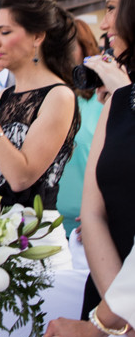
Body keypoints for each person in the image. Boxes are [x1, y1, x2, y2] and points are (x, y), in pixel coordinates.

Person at [0, 0, 79, 270]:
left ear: (37, 37)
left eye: (4, 32)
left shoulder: (59, 96)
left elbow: (20, 177)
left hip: (35, 249)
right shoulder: (5, 95)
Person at [75, 0, 135, 319]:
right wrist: (118, 319)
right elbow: (93, 213)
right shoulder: (118, 92)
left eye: (112, 8)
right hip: (109, 294)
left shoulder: (122, 92)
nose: (104, 23)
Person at [56, 19, 109, 237]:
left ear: (84, 48)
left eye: (66, 44)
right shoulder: (49, 97)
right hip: (45, 225)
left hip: (89, 227)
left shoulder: (102, 99)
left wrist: (101, 215)